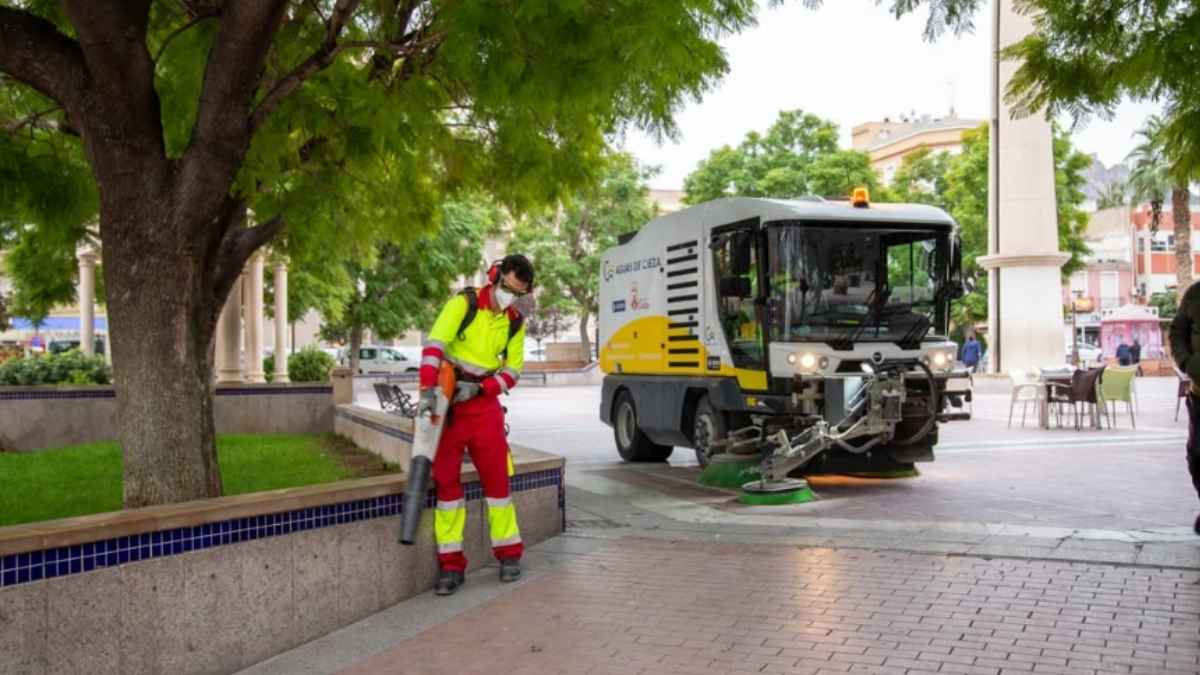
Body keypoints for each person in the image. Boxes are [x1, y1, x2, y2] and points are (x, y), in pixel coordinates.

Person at [419, 255, 535, 595]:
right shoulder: (463, 304)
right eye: (507, 288)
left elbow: (513, 371)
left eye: (518, 292)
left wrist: (482, 388)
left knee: (499, 484)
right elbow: (434, 347)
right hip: (449, 402)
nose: (510, 297)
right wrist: (429, 392)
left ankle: (509, 555)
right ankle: (451, 566)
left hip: (484, 407)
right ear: (494, 277)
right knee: (447, 489)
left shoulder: (515, 322)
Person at [1168, 282, 1200, 536]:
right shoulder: (1195, 293)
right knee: (1197, 456)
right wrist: (1187, 362)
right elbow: (1177, 331)